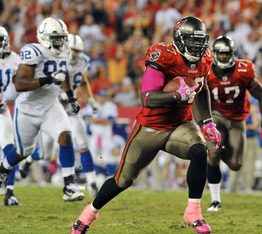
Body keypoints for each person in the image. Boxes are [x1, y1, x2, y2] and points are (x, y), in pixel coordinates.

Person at [71, 16, 221, 234]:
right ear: (179, 40)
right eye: (191, 40)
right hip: (150, 127)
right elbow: (148, 98)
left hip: (180, 124)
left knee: (199, 151)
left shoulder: (205, 58)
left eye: (200, 41)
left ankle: (193, 213)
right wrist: (177, 96)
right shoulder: (163, 56)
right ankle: (89, 214)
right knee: (122, 180)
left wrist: (207, 122)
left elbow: (202, 88)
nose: (197, 46)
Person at [0, 17, 85, 202]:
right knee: (23, 152)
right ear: (45, 37)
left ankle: (69, 185)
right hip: (27, 109)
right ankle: (4, 169)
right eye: (56, 38)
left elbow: (64, 72)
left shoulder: (65, 51)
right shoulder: (33, 51)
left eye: (62, 37)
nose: (60, 41)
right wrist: (47, 79)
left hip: (50, 105)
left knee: (66, 135)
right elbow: (21, 84)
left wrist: (71, 98)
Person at [19, 34, 100, 197]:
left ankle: (91, 182)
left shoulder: (83, 61)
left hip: (70, 109)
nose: (75, 54)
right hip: (53, 108)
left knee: (82, 141)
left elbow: (83, 80)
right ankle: (28, 160)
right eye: (74, 50)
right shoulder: (57, 58)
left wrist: (90, 99)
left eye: (78, 50)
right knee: (46, 154)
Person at [205, 36, 262, 211]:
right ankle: (215, 199)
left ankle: (220, 150)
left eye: (227, 54)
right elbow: (198, 97)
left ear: (233, 54)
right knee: (213, 154)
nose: (224, 57)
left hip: (237, 118)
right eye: (221, 54)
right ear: (215, 54)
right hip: (216, 116)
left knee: (236, 165)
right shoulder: (206, 70)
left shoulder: (244, 69)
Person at [0, 26, 40, 206]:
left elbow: (28, 77)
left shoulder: (15, 60)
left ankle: (9, 191)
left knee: (10, 149)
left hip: (1, 110)